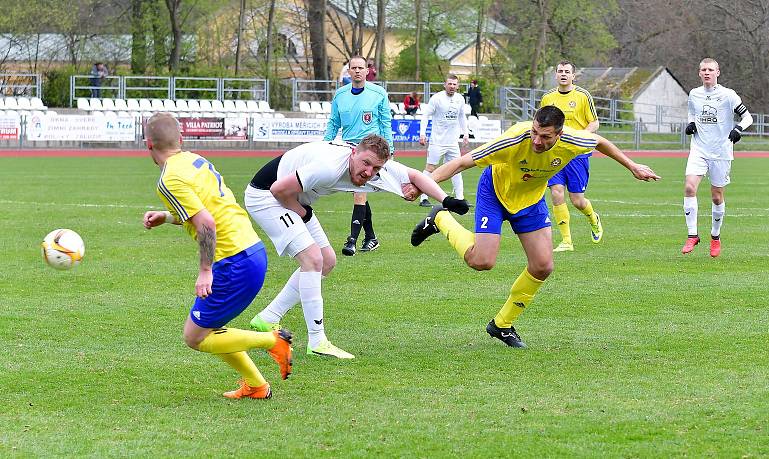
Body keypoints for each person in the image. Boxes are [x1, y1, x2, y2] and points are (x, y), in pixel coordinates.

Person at [410, 106, 660, 348]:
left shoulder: (574, 140)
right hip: (495, 192)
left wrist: (633, 166)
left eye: (546, 136)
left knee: (543, 266)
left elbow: (600, 142)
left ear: (560, 134)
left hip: (530, 200)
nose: (537, 141)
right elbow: (461, 163)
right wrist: (422, 184)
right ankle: (440, 219)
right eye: (535, 133)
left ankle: (502, 324)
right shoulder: (512, 140)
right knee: (482, 261)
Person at [245, 135, 469, 358]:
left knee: (327, 261)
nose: (369, 172)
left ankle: (268, 318)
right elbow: (278, 190)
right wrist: (303, 213)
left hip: (294, 197)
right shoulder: (329, 167)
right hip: (266, 197)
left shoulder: (375, 169)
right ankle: (317, 341)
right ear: (354, 153)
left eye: (376, 168)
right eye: (366, 163)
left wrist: (446, 200)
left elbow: (414, 176)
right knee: (313, 259)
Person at [140, 113, 293, 400]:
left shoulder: (168, 178)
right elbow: (208, 208)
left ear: (148, 144)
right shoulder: (195, 160)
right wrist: (167, 216)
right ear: (181, 140)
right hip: (252, 251)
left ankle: (273, 340)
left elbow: (207, 223)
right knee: (213, 328)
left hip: (232, 261)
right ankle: (256, 386)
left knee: (194, 337)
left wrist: (205, 270)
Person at [324, 55, 394, 256]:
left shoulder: (378, 93)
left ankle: (352, 241)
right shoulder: (340, 95)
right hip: (348, 149)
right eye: (353, 67)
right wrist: (324, 144)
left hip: (370, 150)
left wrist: (390, 149)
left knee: (359, 192)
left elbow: (385, 123)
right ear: (349, 71)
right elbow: (334, 123)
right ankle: (371, 237)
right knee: (360, 193)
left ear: (366, 71)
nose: (357, 71)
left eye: (360, 68)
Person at [682, 57, 752, 257]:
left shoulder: (728, 95)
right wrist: (691, 123)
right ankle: (692, 235)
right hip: (699, 149)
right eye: (703, 69)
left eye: (710, 69)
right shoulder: (694, 94)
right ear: (699, 73)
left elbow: (748, 117)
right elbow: (691, 113)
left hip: (721, 151)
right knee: (689, 187)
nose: (706, 72)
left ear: (717, 73)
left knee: (716, 196)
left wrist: (738, 128)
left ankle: (715, 236)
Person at [539, 60, 602, 252]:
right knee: (556, 192)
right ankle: (566, 241)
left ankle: (593, 217)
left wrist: (581, 137)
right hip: (555, 152)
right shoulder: (547, 97)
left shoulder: (583, 96)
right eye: (560, 71)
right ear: (556, 75)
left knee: (577, 200)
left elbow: (594, 123)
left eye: (567, 71)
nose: (563, 74)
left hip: (577, 154)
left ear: (573, 76)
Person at [418, 74, 470, 207]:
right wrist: (422, 133)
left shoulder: (460, 99)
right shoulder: (437, 99)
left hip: (452, 142)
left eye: (454, 84)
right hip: (437, 141)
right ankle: (423, 197)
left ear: (458, 86)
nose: (452, 86)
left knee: (457, 167)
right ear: (445, 85)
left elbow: (461, 117)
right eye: (450, 84)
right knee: (430, 168)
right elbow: (425, 116)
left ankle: (460, 198)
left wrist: (465, 133)